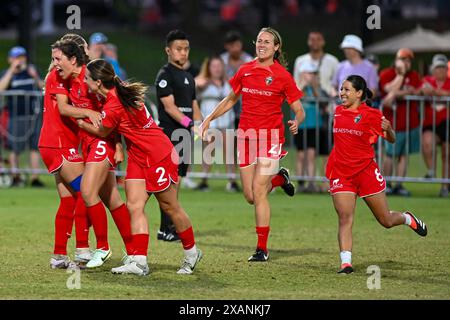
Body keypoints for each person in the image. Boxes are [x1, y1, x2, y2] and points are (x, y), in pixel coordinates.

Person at [78, 58, 203, 276]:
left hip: (158, 154)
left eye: (88, 79)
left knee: (170, 207)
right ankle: (139, 261)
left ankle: (192, 252)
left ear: (98, 82)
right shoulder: (120, 92)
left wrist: (80, 122)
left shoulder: (114, 103)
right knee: (134, 206)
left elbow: (102, 132)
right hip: (137, 155)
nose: (86, 83)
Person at [201, 27, 305, 262]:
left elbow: (299, 109)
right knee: (249, 195)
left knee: (259, 190)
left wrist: (296, 121)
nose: (262, 45)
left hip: (271, 139)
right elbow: (230, 99)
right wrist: (209, 118)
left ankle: (262, 249)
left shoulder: (282, 76)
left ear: (276, 47)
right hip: (246, 137)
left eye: (267, 42)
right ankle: (280, 179)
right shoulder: (244, 70)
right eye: (259, 41)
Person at [326, 75, 427, 274]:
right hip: (341, 173)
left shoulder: (371, 115)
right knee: (345, 218)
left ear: (359, 93)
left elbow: (391, 139)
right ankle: (346, 263)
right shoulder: (337, 112)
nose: (342, 93)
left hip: (365, 173)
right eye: (341, 89)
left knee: (386, 221)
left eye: (347, 90)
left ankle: (407, 218)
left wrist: (388, 129)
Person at [51, 39, 133, 268]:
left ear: (73, 60)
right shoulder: (68, 79)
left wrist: (117, 144)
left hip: (101, 141)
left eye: (59, 59)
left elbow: (114, 110)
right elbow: (65, 108)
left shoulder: (92, 78)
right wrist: (83, 115)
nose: (55, 64)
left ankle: (103, 247)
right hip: (87, 144)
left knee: (87, 192)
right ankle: (134, 252)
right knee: (112, 198)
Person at [39, 34, 97, 269]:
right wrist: (89, 114)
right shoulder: (58, 76)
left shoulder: (66, 76)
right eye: (84, 51)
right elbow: (64, 110)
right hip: (59, 144)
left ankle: (59, 255)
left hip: (57, 143)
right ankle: (83, 250)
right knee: (86, 192)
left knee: (68, 200)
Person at [154, 30, 202, 242]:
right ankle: (165, 228)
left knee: (178, 180)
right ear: (168, 50)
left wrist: (202, 125)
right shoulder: (165, 75)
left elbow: (193, 104)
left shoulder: (188, 76)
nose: (183, 53)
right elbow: (170, 108)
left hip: (185, 135)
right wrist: (191, 124)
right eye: (178, 49)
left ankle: (169, 227)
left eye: (186, 49)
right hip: (170, 134)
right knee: (169, 183)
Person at [0, 46, 45, 187]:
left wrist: (35, 76)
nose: (19, 60)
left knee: (34, 147)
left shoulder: (32, 71)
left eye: (21, 57)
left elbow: (44, 87)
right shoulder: (7, 73)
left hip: (33, 115)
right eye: (15, 57)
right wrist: (11, 72)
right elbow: (1, 88)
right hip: (15, 115)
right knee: (15, 148)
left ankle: (35, 178)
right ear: (10, 59)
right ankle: (16, 176)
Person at [379, 48, 422, 196]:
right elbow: (388, 89)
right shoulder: (387, 74)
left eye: (408, 60)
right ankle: (387, 183)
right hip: (391, 123)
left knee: (404, 154)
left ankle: (399, 184)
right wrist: (401, 76)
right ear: (396, 60)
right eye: (403, 59)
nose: (406, 63)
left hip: (410, 122)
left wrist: (397, 94)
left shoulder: (415, 75)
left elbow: (416, 91)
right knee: (390, 154)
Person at [195, 55, 239, 192]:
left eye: (219, 66)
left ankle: (232, 181)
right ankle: (204, 180)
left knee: (229, 152)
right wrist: (199, 84)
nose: (217, 69)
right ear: (209, 68)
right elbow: (192, 86)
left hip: (227, 121)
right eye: (214, 66)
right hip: (210, 124)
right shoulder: (203, 82)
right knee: (208, 152)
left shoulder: (228, 83)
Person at [293, 61, 326, 193]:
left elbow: (323, 103)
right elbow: (293, 97)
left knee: (311, 154)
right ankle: (301, 182)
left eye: (313, 73)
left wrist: (314, 87)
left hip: (313, 125)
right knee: (300, 155)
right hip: (300, 125)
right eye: (308, 73)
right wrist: (303, 85)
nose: (311, 76)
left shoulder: (317, 88)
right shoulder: (295, 86)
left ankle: (311, 182)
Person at [421, 54, 450, 197]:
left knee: (447, 153)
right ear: (433, 69)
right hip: (430, 122)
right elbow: (422, 89)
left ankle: (445, 186)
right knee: (427, 142)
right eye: (437, 67)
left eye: (443, 67)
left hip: (447, 122)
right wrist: (426, 90)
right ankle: (431, 170)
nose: (440, 70)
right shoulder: (427, 80)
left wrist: (436, 92)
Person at [220, 30, 254, 129]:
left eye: (237, 45)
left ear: (241, 44)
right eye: (231, 46)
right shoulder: (222, 60)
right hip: (227, 99)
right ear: (226, 46)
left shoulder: (249, 60)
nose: (235, 48)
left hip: (244, 100)